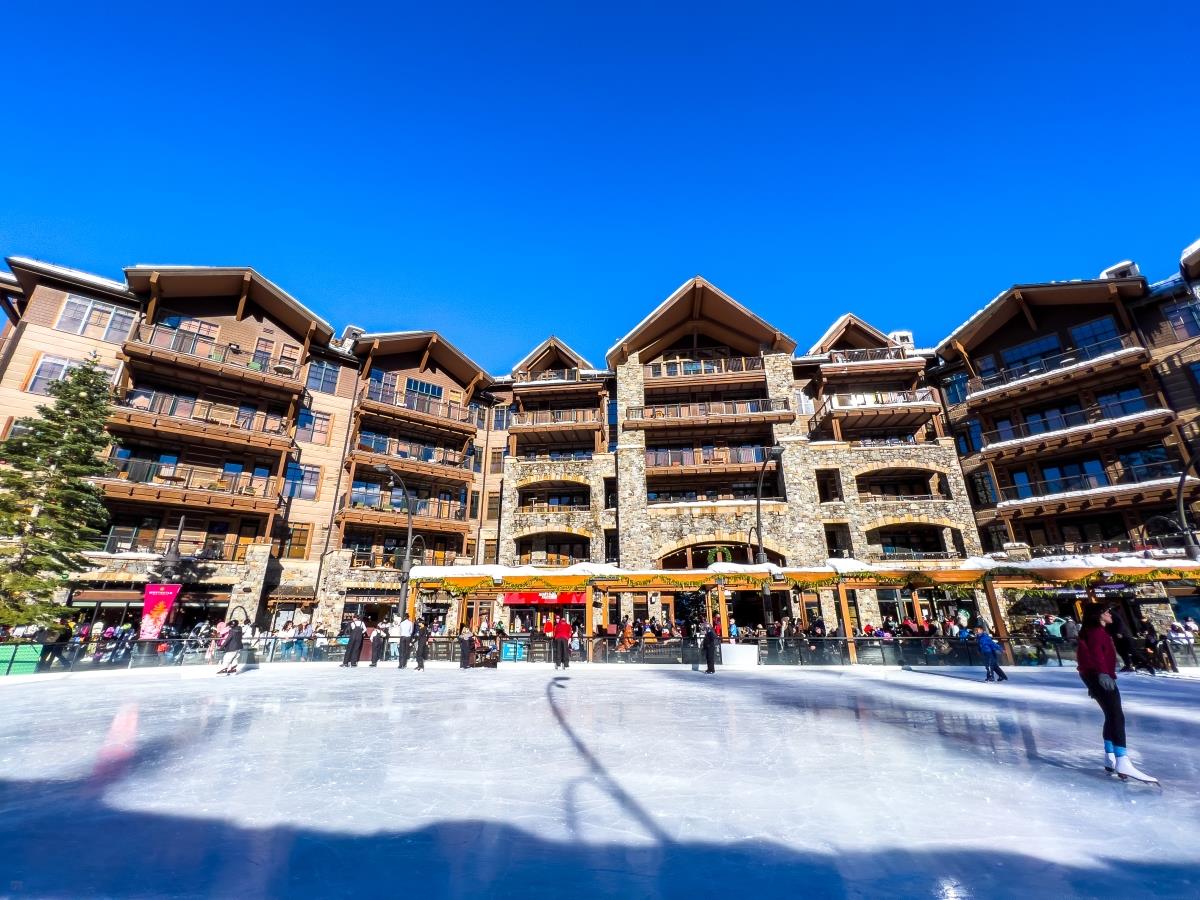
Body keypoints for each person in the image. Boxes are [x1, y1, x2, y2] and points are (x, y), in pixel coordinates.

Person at [1077, 604, 1157, 783]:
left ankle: (1110, 754)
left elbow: (1087, 655)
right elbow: (1096, 654)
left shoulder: (1095, 631)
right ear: (1098, 615)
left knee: (1111, 715)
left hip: (1094, 675)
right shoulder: (1096, 632)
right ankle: (1122, 759)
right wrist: (1101, 674)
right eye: (1106, 612)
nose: (1110, 614)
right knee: (1116, 716)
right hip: (1099, 676)